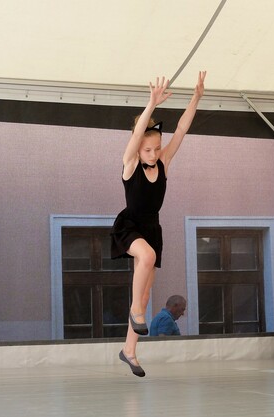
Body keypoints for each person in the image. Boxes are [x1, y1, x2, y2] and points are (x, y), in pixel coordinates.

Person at [111, 71, 206, 377]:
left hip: (152, 228)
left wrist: (196, 98)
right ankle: (136, 311)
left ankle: (129, 351)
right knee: (146, 257)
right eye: (147, 150)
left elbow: (182, 129)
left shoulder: (164, 162)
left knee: (146, 293)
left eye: (156, 148)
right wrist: (151, 103)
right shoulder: (130, 165)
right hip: (130, 226)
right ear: (138, 149)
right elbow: (136, 136)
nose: (152, 154)